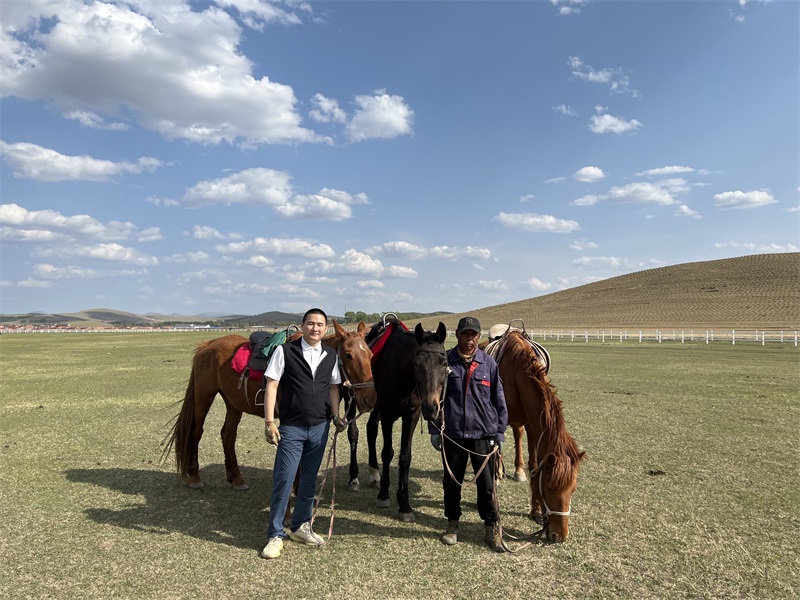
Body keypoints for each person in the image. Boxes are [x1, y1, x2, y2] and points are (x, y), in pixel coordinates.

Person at [260, 308, 343, 560]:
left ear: (325, 329)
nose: (315, 328)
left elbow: (334, 387)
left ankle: (300, 526)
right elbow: (272, 384)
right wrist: (269, 421)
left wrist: (336, 415)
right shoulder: (285, 351)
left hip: (320, 427)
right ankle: (275, 534)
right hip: (292, 427)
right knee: (284, 479)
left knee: (308, 480)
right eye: (310, 323)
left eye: (320, 324)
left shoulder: (330, 355)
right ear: (303, 325)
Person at [429, 316, 509, 552]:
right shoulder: (445, 362)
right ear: (457, 335)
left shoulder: (488, 364)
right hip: (453, 432)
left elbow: (499, 399)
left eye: (473, 335)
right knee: (451, 482)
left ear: (478, 336)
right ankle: (452, 523)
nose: (469, 339)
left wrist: (500, 433)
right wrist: (434, 429)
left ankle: (491, 525)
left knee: (487, 485)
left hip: (483, 433)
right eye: (465, 334)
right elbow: (434, 396)